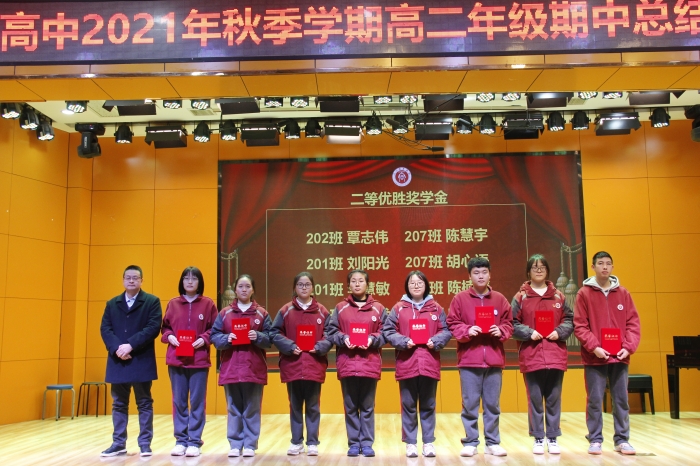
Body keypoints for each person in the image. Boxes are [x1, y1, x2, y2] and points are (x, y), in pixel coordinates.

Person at [574, 251, 641, 456]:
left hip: (620, 357)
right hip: (595, 357)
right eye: (600, 263)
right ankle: (595, 439)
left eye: (608, 263)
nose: (605, 267)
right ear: (593, 267)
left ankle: (622, 439)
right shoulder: (584, 294)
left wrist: (627, 347)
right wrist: (594, 347)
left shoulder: (623, 293)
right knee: (594, 399)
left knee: (621, 400)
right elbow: (580, 325)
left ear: (612, 267)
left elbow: (633, 323)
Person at [446, 257, 513, 458]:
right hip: (469, 360)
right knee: (470, 404)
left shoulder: (500, 299)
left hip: (494, 360)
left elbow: (509, 323)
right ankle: (471, 441)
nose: (480, 276)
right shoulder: (460, 299)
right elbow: (452, 323)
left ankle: (492, 442)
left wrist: (500, 331)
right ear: (469, 276)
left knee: (492, 404)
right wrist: (467, 330)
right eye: (476, 273)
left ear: (490, 274)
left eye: (484, 272)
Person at [383, 270, 452, 458]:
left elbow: (446, 330)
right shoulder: (398, 308)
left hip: (429, 363)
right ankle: (411, 443)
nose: (416, 285)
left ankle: (428, 442)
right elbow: (388, 331)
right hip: (407, 363)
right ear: (407, 286)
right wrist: (403, 341)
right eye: (412, 283)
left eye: (419, 282)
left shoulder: (436, 308)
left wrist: (435, 341)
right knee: (408, 405)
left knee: (428, 405)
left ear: (426, 285)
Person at [511, 255, 573, 455]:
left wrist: (559, 332)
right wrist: (529, 332)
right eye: (534, 267)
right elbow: (511, 323)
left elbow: (570, 320)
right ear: (528, 272)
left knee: (554, 398)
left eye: (542, 267)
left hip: (555, 355)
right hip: (531, 355)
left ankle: (553, 437)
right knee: (535, 399)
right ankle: (538, 437)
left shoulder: (559, 296)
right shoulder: (521, 297)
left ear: (547, 271)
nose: (539, 270)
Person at [99, 265, 162, 457]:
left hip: (141, 358)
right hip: (118, 359)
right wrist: (117, 348)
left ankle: (145, 444)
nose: (132, 280)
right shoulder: (112, 303)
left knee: (144, 402)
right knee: (119, 403)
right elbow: (105, 329)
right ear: (123, 280)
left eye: (135, 277)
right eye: (128, 277)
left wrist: (131, 345)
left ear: (142, 280)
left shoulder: (151, 301)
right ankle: (118, 443)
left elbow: (153, 327)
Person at [270, 272, 333, 457]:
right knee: (295, 405)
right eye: (300, 284)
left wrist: (319, 346)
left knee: (313, 406)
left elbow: (330, 334)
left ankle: (312, 442)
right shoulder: (285, 310)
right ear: (294, 287)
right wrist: (290, 346)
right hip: (293, 365)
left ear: (313, 287)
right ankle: (296, 442)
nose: (304, 287)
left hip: (314, 365)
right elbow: (274, 333)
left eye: (307, 284)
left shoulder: (322, 311)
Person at [328, 269, 388, 457]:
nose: (357, 284)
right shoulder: (340, 308)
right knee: (351, 406)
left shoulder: (378, 308)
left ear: (367, 284)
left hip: (369, 363)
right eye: (353, 281)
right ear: (348, 285)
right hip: (347, 363)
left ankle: (367, 444)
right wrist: (343, 338)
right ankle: (354, 443)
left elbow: (386, 332)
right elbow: (331, 331)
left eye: (361, 281)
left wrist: (372, 339)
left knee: (368, 407)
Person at [211, 274, 272, 458]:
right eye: (240, 286)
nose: (244, 290)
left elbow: (270, 338)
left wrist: (258, 337)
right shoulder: (225, 313)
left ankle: (250, 444)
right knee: (233, 408)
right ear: (235, 290)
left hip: (254, 368)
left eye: (247, 286)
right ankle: (235, 444)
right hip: (231, 368)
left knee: (252, 408)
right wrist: (226, 338)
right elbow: (214, 336)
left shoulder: (262, 313)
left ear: (253, 290)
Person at [161, 266, 218, 457]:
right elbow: (165, 328)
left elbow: (215, 328)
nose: (190, 281)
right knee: (178, 401)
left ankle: (194, 441)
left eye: (194, 278)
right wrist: (169, 337)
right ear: (182, 281)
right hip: (176, 359)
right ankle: (180, 440)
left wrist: (204, 338)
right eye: (186, 278)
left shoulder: (208, 304)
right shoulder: (173, 303)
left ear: (200, 282)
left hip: (199, 360)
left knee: (197, 401)